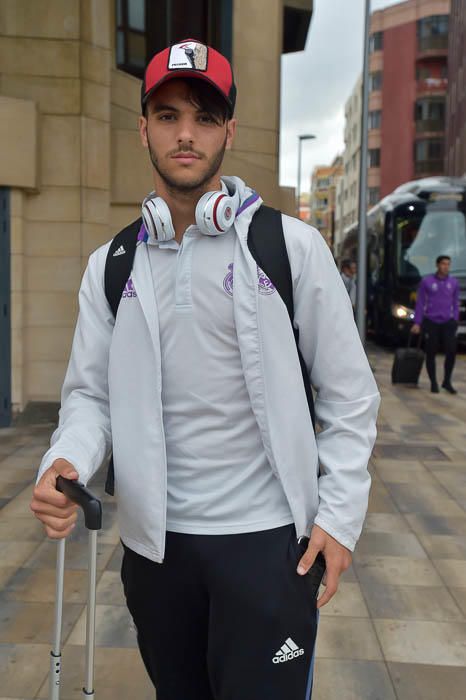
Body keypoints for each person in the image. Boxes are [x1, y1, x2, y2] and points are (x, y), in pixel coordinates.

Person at [30, 39, 380, 700]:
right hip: (157, 554)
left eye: (204, 116)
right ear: (143, 128)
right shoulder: (112, 264)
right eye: (167, 115)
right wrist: (65, 459)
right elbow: (89, 395)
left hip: (270, 548)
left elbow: (350, 396)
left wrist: (338, 517)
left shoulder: (291, 248)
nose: (185, 134)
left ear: (229, 130)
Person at [411, 254, 459, 394]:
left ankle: (447, 381)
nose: (446, 267)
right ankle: (433, 382)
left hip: (448, 322)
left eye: (448, 264)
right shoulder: (427, 281)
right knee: (431, 352)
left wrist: (455, 318)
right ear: (438, 265)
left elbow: (456, 302)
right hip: (431, 321)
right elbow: (420, 303)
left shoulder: (454, 283)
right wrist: (417, 322)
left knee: (451, 351)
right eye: (443, 264)